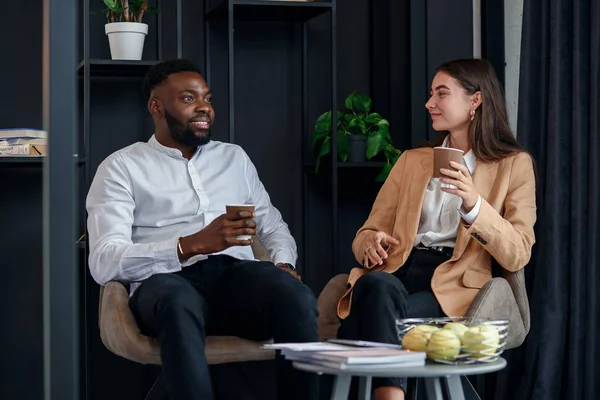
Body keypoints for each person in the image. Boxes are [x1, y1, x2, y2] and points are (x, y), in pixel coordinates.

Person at [86, 59, 319, 400]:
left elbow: (273, 226)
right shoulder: (122, 167)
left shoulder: (234, 158)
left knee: (295, 297)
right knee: (178, 301)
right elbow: (104, 261)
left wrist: (283, 264)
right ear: (156, 106)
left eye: (207, 99)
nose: (204, 108)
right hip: (164, 280)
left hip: (236, 278)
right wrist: (190, 245)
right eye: (188, 98)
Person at [336, 58, 537, 400]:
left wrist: (474, 204)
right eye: (431, 94)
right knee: (379, 289)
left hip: (452, 284)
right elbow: (365, 234)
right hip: (396, 270)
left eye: (441, 93)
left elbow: (518, 252)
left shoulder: (513, 165)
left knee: (360, 324)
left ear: (475, 101)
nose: (430, 103)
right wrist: (372, 243)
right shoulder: (412, 161)